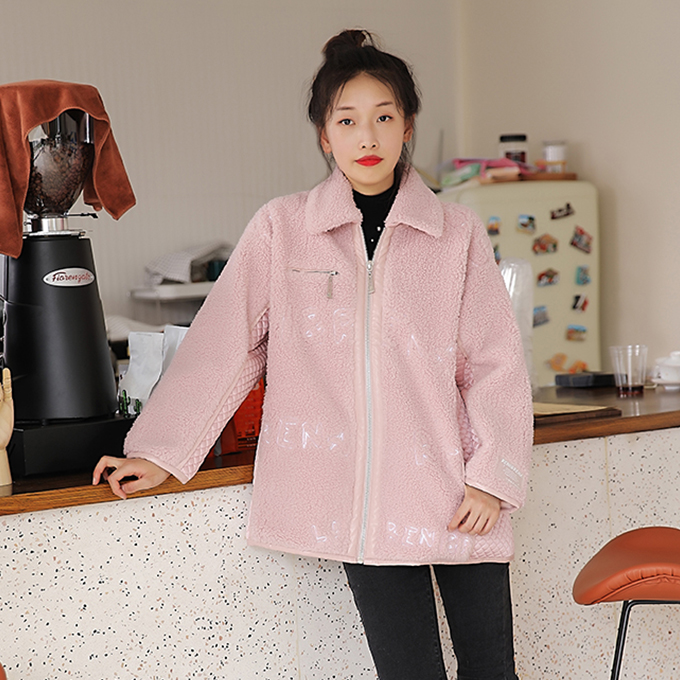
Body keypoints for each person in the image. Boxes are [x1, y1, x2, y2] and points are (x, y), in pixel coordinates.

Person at [93, 29, 533, 680]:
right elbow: (225, 342)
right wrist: (160, 451)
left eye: (384, 117)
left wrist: (492, 476)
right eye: (347, 120)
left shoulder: (457, 232)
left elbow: (495, 362)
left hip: (460, 492)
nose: (367, 137)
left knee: (492, 672)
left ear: (408, 127)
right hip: (363, 505)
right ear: (325, 135)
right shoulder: (284, 228)